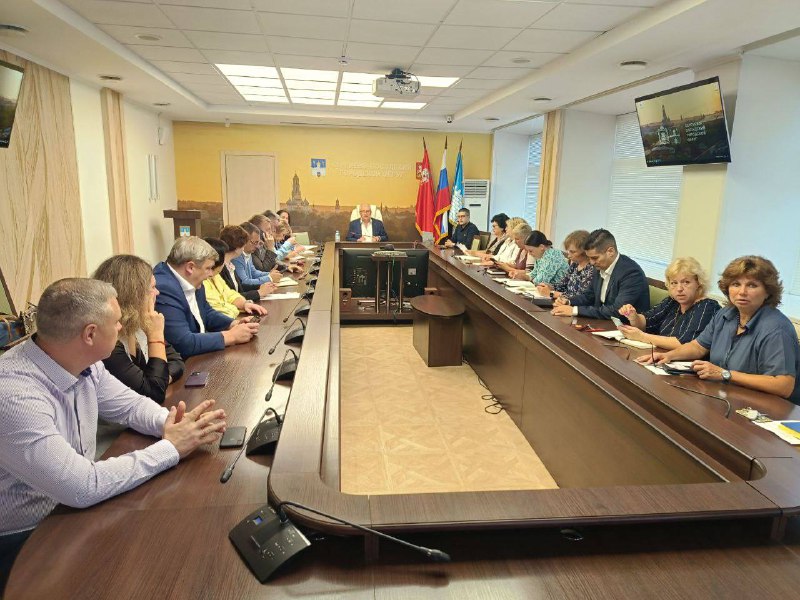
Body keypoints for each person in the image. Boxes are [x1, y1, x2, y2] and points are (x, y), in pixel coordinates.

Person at [0, 279, 226, 591]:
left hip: (73, 509)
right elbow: (81, 486)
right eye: (117, 321)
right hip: (27, 538)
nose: (121, 327)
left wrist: (172, 423)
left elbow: (131, 406)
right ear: (90, 334)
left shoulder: (83, 361)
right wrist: (172, 447)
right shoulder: (14, 395)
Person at [640, 256, 800, 403]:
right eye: (736, 284)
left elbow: (783, 385)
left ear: (768, 292)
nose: (742, 292)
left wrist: (725, 374)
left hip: (765, 408)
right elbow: (698, 346)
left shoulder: (777, 328)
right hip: (723, 397)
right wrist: (668, 356)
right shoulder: (726, 314)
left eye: (752, 285)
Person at [93, 255, 184, 403]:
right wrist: (155, 336)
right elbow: (154, 394)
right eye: (152, 288)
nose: (157, 293)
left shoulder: (138, 323)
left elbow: (177, 361)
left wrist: (162, 378)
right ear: (134, 295)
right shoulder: (109, 343)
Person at [154, 236, 259, 358]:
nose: (211, 274)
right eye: (208, 268)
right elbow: (183, 343)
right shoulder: (163, 288)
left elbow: (206, 312)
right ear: (190, 267)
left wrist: (233, 324)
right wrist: (231, 336)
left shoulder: (192, 279)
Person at [618, 257, 719, 349]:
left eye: (686, 282)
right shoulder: (673, 301)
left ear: (699, 283)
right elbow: (646, 322)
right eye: (674, 283)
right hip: (661, 356)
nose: (679, 288)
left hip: (685, 361)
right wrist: (633, 316)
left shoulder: (707, 307)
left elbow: (684, 344)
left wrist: (642, 337)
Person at [551, 228, 649, 320]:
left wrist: (574, 310)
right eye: (589, 258)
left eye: (594, 258)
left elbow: (618, 311)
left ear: (610, 251)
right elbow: (589, 296)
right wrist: (568, 301)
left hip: (624, 326)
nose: (591, 262)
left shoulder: (631, 273)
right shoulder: (599, 266)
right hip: (602, 321)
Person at [203, 238, 269, 320]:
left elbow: (230, 294)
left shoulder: (216, 276)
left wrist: (244, 304)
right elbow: (217, 309)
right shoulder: (204, 280)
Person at [219, 225, 275, 302]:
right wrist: (258, 292)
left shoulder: (229, 264)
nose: (244, 247)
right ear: (238, 245)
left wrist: (261, 287)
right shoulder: (221, 268)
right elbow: (231, 296)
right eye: (243, 244)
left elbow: (241, 287)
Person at [535, 230, 596, 302]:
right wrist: (550, 287)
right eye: (568, 251)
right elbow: (562, 285)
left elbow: (580, 297)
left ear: (585, 251)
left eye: (572, 252)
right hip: (563, 302)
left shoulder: (591, 269)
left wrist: (551, 293)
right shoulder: (574, 265)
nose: (569, 255)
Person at [231, 222, 283, 287]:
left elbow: (254, 273)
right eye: (254, 242)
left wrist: (270, 274)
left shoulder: (247, 253)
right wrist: (269, 278)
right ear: (244, 240)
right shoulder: (236, 257)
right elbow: (244, 282)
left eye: (258, 242)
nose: (257, 246)